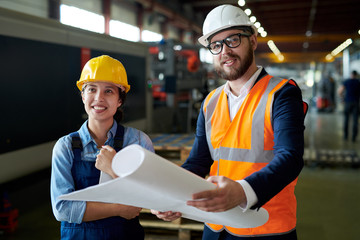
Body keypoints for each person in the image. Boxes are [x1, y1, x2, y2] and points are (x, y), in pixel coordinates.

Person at [152, 4, 307, 240]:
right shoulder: (211, 102)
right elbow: (199, 161)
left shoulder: (281, 94)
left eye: (233, 40)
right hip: (216, 228)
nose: (225, 51)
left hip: (266, 228)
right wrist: (173, 196)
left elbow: (290, 158)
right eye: (216, 45)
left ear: (253, 41)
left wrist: (243, 192)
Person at [50, 55, 154, 239]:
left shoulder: (137, 142)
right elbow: (62, 209)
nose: (99, 98)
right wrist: (118, 209)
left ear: (120, 100)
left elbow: (147, 196)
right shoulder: (65, 147)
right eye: (91, 89)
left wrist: (114, 169)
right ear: (83, 96)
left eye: (108, 91)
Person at [338, 70, 360, 142]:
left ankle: (345, 136)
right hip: (356, 103)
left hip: (348, 103)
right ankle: (354, 137)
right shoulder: (358, 82)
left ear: (351, 75)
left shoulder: (347, 81)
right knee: (355, 121)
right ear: (356, 75)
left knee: (346, 120)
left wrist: (342, 99)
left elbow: (340, 91)